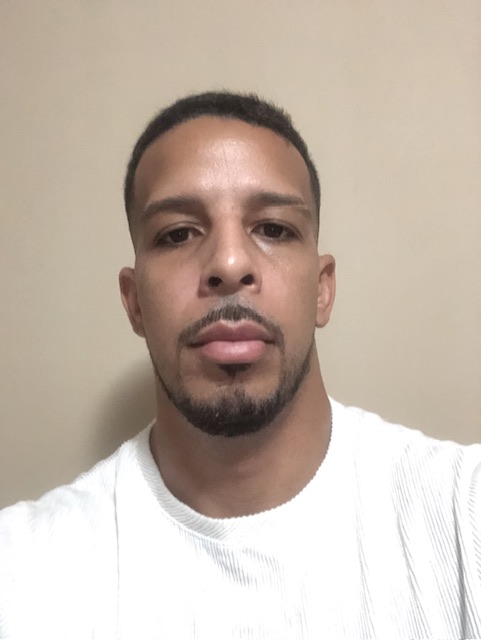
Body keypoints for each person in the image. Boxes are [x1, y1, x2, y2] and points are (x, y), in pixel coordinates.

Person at [0, 91, 479, 640]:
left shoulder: (464, 515)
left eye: (273, 228)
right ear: (134, 303)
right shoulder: (20, 572)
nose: (229, 264)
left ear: (322, 290)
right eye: (178, 233)